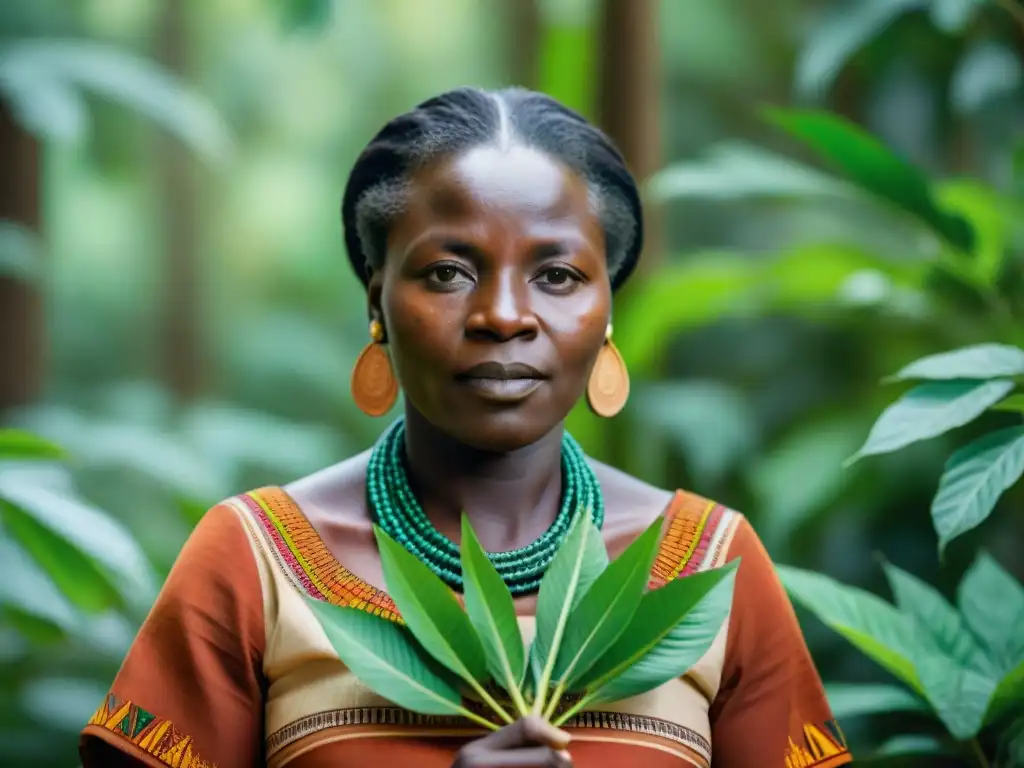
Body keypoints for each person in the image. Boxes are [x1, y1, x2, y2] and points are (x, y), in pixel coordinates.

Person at [79, 87, 852, 768]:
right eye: (449, 272)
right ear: (377, 301)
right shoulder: (253, 564)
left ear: (606, 311)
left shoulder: (710, 570)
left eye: (557, 275)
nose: (505, 316)